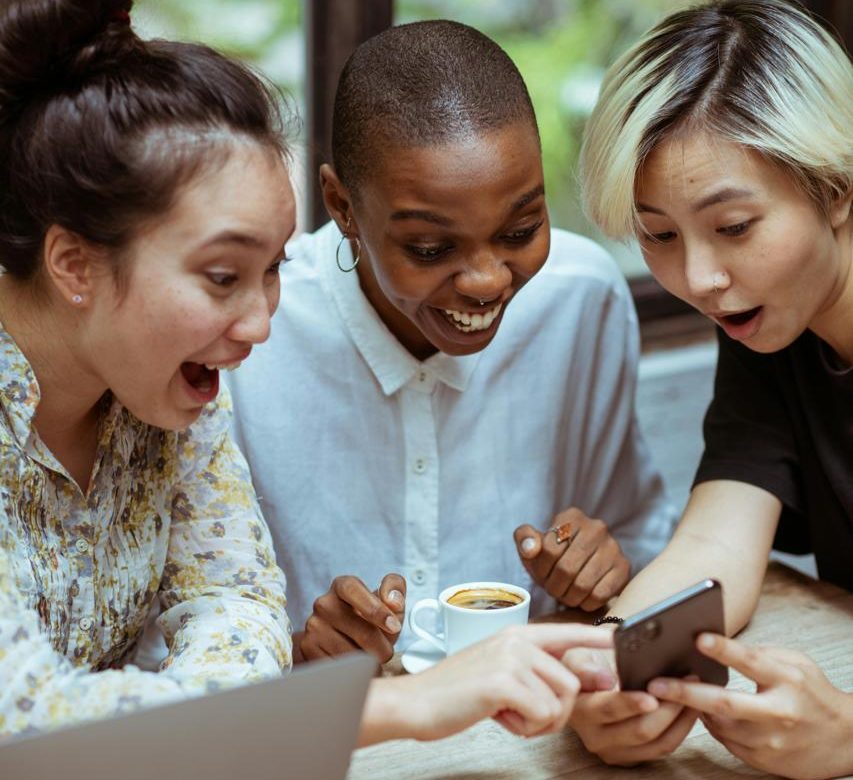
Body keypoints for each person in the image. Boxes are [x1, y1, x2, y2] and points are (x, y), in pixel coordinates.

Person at [0, 0, 616, 746]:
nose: (262, 323)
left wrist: (227, 721)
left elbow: (238, 607)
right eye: (223, 276)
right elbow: (23, 719)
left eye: (274, 269)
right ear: (74, 265)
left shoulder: (160, 398)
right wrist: (403, 707)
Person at [225, 19, 676, 663]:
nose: (488, 280)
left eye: (522, 229)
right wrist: (294, 655)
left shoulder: (580, 299)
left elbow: (641, 538)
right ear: (342, 206)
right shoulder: (252, 342)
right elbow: (178, 632)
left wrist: (604, 570)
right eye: (431, 248)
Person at [570, 0, 853, 776]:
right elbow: (712, 542)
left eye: (732, 227)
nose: (699, 279)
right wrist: (611, 672)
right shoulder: (772, 324)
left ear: (834, 187)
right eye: (658, 235)